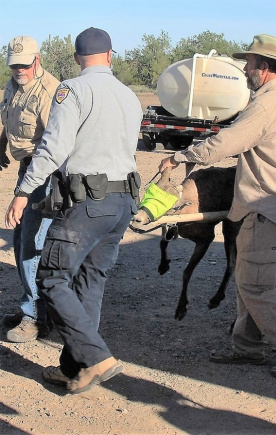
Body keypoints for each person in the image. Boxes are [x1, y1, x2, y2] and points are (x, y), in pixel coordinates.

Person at [158, 34, 276, 379]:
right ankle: (248, 348)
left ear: (263, 67)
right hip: (266, 206)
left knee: (256, 286)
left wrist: (180, 156)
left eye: (248, 64)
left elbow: (226, 143)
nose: (245, 70)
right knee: (249, 279)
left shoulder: (267, 105)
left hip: (268, 207)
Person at [5, 27, 143, 394]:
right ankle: (74, 368)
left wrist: (23, 192)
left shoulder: (72, 90)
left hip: (88, 203)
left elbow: (52, 148)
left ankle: (97, 356)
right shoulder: (130, 95)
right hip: (123, 201)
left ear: (77, 58)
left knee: (51, 276)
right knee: (89, 283)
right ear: (110, 56)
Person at [0, 36, 60, 342]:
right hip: (27, 169)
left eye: (24, 64)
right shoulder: (14, 83)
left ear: (37, 60)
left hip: (43, 174)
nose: (19, 69)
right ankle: (33, 308)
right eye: (14, 65)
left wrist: (25, 192)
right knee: (21, 239)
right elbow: (7, 113)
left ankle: (35, 316)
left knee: (29, 244)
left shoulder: (50, 91)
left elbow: (55, 144)